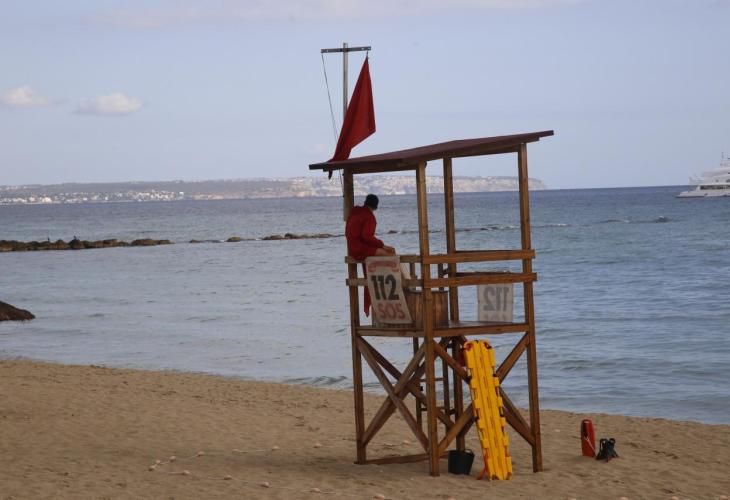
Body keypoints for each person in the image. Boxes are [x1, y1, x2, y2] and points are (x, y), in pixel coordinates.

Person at [345, 194, 395, 261]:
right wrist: (382, 246)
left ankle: (368, 268)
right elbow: (367, 237)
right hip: (359, 250)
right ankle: (386, 268)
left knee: (376, 249)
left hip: (351, 248)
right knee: (390, 253)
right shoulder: (369, 217)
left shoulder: (355, 210)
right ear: (376, 207)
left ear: (365, 202)